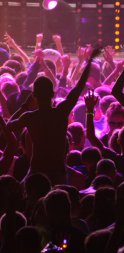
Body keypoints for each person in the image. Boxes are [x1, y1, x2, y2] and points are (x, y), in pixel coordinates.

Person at [7, 50, 99, 184]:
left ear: (34, 96)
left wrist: (24, 107)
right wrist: (89, 61)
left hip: (36, 172)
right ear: (52, 93)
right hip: (58, 173)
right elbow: (78, 87)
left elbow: (8, 126)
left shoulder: (30, 117)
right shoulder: (60, 112)